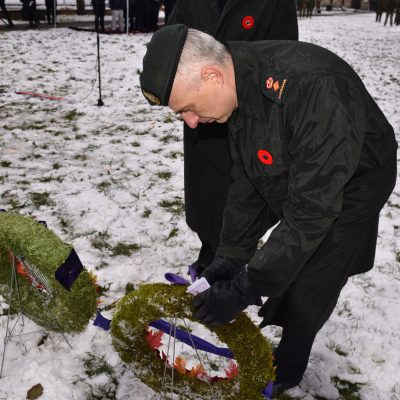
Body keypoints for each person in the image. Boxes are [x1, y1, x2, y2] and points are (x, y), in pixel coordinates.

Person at [139, 25, 397, 395]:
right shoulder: (237, 85)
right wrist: (230, 256)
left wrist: (248, 286)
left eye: (188, 109)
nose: (191, 123)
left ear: (211, 75)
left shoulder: (313, 88)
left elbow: (311, 212)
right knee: (288, 249)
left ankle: (289, 364)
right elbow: (250, 179)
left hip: (355, 177)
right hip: (297, 160)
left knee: (313, 275)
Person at [167, 0, 298, 275]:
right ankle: (209, 249)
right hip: (199, 108)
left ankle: (232, 257)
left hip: (247, 107)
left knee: (241, 187)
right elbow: (173, 37)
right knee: (204, 191)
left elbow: (285, 52)